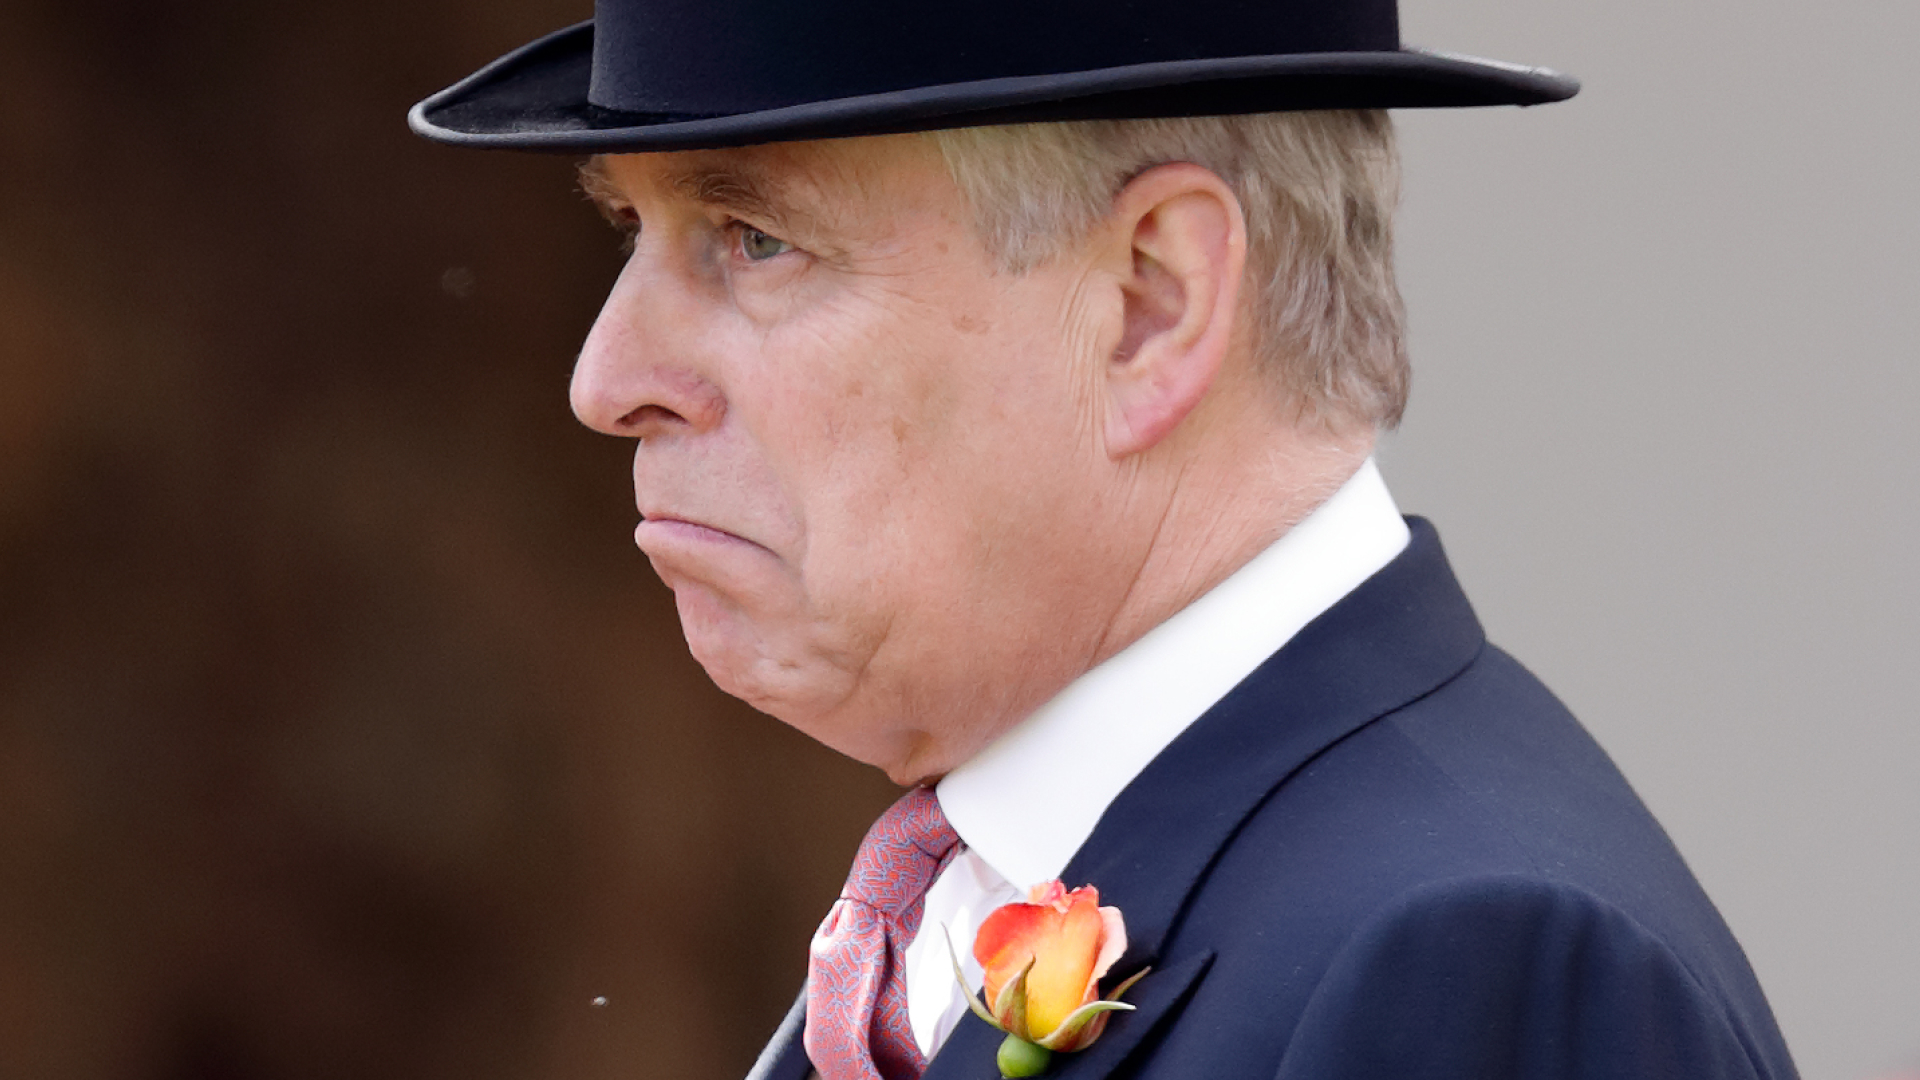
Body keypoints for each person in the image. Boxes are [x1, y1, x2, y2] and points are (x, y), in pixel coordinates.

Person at [410, 2, 1800, 1077]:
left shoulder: (1468, 964)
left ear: (1149, 301)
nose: (608, 378)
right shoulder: (981, 888)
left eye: (754, 236)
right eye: (631, 232)